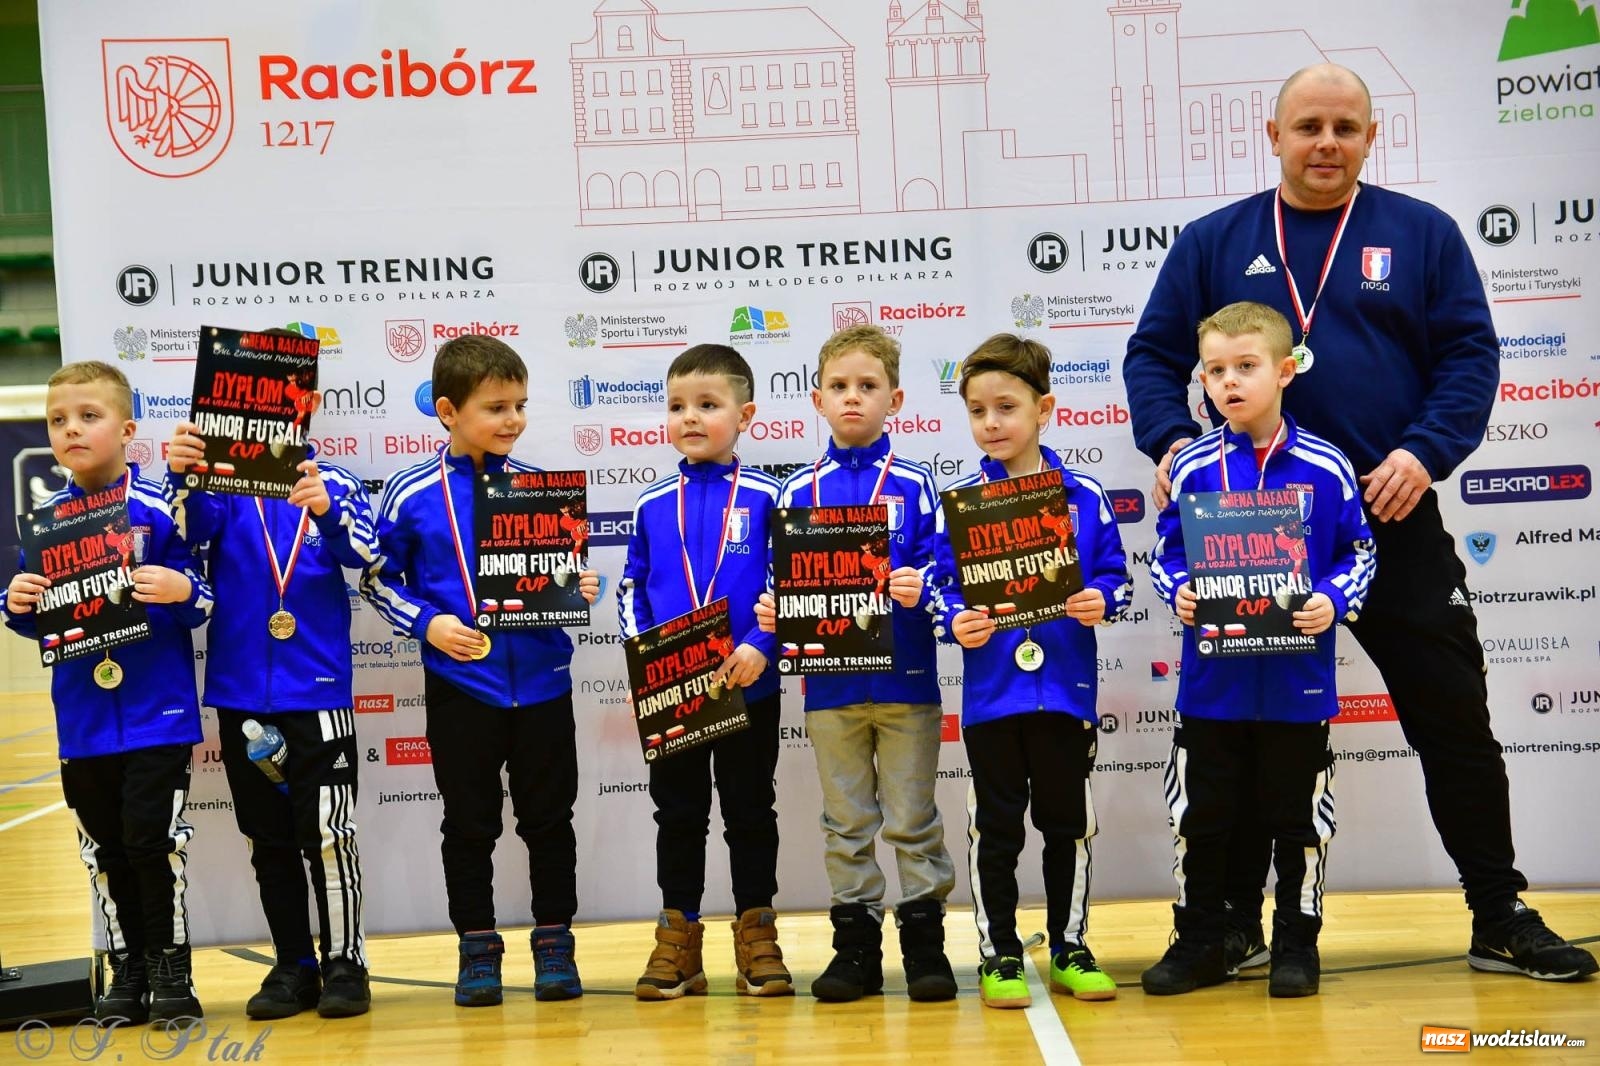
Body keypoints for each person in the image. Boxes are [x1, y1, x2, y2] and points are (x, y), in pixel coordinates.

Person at [1122, 62, 1596, 983]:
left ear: (1371, 136)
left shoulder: (1420, 234)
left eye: (1345, 126)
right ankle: (1226, 926)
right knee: (1242, 738)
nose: (1326, 142)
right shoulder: (1214, 240)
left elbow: (1469, 357)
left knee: (1454, 718)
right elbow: (1152, 356)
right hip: (1242, 527)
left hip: (1387, 514)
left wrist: (1423, 452)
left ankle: (1498, 912)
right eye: (1308, 126)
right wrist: (1176, 443)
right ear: (1274, 135)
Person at [1142, 301, 1376, 998]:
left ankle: (1295, 947)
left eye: (1245, 367)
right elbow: (1165, 553)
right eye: (1215, 371)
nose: (1229, 383)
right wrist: (1180, 589)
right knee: (1203, 818)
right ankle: (1201, 943)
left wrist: (1333, 598)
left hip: (1299, 687)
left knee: (1297, 819)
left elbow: (1358, 550)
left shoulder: (1326, 465)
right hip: (1211, 687)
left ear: (1285, 369)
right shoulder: (1188, 468)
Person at [362, 334, 601, 1006]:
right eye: (496, 407)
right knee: (469, 824)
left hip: (546, 684)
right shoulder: (410, 493)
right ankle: (477, 949)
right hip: (463, 687)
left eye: (520, 405)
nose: (513, 420)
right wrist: (428, 623)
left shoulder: (541, 491)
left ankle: (555, 944)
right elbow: (378, 582)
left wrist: (582, 587)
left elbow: (569, 579)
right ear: (448, 409)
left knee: (550, 821)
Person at [753, 323, 958, 1003]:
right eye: (839, 387)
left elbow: (947, 574)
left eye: (867, 387)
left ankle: (927, 947)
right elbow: (780, 584)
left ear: (895, 399)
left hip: (906, 681)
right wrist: (774, 613)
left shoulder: (918, 484)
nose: (852, 399)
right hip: (831, 689)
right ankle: (855, 951)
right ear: (815, 399)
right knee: (846, 823)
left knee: (911, 817)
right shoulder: (794, 493)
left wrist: (920, 584)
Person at [3, 361, 212, 1023]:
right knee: (104, 850)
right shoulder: (43, 523)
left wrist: (181, 591)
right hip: (84, 718)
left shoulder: (157, 510)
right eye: (58, 421)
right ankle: (125, 968)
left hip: (158, 714)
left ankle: (171, 970)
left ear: (126, 429)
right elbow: (30, 613)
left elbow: (202, 597)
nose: (71, 431)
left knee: (155, 843)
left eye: (87, 417)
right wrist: (13, 603)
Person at [930, 334, 1131, 1009]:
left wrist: (1102, 599)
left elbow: (1116, 579)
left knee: (1066, 823)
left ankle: (1070, 944)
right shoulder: (958, 503)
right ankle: (1000, 953)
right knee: (997, 829)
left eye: (1006, 408)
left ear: (1044, 408)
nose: (992, 424)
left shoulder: (1083, 494)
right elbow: (941, 588)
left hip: (1066, 692)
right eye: (978, 411)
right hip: (992, 695)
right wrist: (953, 618)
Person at [165, 381, 378, 1019]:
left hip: (319, 696)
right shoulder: (221, 492)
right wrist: (184, 477)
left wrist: (329, 513)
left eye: (284, 405)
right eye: (251, 408)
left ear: (304, 410)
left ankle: (346, 962)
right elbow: (181, 538)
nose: (267, 419)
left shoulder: (334, 481)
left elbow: (368, 555)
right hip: (241, 700)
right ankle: (294, 965)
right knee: (268, 836)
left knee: (330, 834)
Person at [617, 343, 790, 1000]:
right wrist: (650, 654)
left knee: (751, 812)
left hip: (750, 682)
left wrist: (758, 646)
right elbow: (630, 586)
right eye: (677, 406)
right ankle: (678, 940)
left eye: (708, 405)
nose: (690, 417)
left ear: (745, 414)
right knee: (678, 814)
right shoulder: (650, 502)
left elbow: (787, 586)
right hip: (674, 690)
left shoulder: (775, 497)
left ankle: (758, 936)